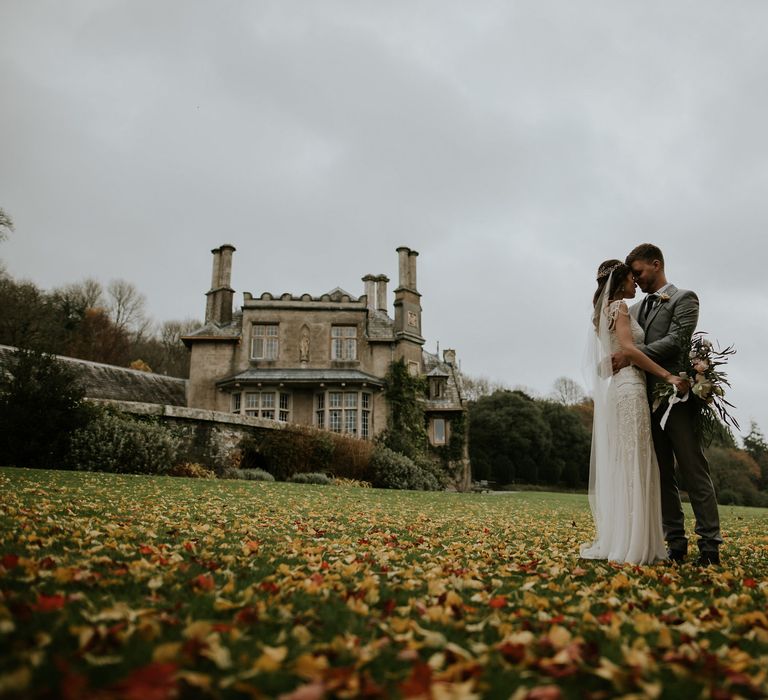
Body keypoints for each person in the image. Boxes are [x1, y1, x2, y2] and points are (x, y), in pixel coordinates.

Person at [613, 244, 722, 566]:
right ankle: (676, 544)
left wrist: (632, 356)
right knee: (660, 476)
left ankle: (710, 546)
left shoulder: (684, 298)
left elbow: (677, 339)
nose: (636, 279)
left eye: (639, 272)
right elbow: (623, 343)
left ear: (656, 264)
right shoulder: (631, 311)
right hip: (643, 401)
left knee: (693, 470)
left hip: (678, 398)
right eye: (632, 275)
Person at [580, 259, 688, 565]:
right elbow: (627, 350)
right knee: (635, 462)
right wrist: (668, 376)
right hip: (630, 389)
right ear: (621, 281)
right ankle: (635, 543)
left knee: (627, 462)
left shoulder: (601, 313)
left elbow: (612, 356)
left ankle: (627, 537)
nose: (635, 284)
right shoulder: (621, 308)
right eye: (631, 279)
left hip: (620, 390)